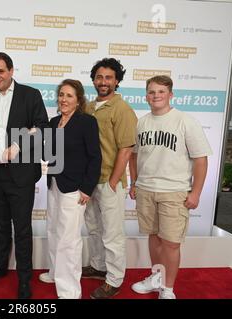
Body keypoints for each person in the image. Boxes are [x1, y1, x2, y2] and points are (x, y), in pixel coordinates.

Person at [0, 52, 49, 299]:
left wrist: (18, 146)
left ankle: (24, 279)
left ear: (11, 71)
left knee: (23, 229)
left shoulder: (31, 94)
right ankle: (0, 267)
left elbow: (42, 127)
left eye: (1, 71)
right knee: (0, 225)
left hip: (22, 174)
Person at [129, 75, 212, 299]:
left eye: (161, 91)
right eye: (151, 92)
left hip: (174, 191)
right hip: (146, 189)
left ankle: (167, 288)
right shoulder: (142, 122)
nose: (155, 95)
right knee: (154, 237)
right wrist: (134, 182)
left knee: (171, 243)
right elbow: (134, 155)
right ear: (146, 96)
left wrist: (196, 192)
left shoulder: (185, 121)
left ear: (170, 95)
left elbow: (201, 159)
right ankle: (156, 277)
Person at [39, 79, 101, 299]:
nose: (63, 99)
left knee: (68, 238)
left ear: (78, 100)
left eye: (69, 96)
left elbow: (95, 158)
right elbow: (47, 154)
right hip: (54, 183)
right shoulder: (54, 121)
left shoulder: (87, 122)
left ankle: (69, 290)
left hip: (75, 188)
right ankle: (56, 272)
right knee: (53, 229)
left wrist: (87, 188)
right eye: (61, 95)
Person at [82, 57, 138, 299]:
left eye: (108, 77)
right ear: (94, 79)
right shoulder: (89, 107)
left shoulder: (122, 109)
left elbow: (127, 148)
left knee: (112, 233)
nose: (103, 82)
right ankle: (98, 265)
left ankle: (114, 279)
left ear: (117, 81)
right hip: (89, 180)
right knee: (94, 228)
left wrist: (114, 181)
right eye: (99, 77)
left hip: (109, 181)